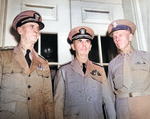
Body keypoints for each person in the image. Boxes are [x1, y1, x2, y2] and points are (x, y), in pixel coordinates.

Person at [0, 10, 54, 119]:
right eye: (32, 26)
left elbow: (48, 101)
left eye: (38, 28)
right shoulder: (3, 56)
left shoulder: (43, 62)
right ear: (20, 30)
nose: (36, 31)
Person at [54, 26, 116, 119]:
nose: (84, 44)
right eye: (80, 41)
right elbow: (58, 104)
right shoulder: (64, 71)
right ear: (73, 46)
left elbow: (108, 101)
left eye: (87, 41)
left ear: (90, 46)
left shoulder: (99, 70)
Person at [107, 19, 150, 119]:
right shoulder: (112, 64)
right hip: (122, 110)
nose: (117, 39)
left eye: (120, 35)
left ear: (130, 37)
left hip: (145, 107)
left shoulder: (147, 57)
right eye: (114, 37)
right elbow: (109, 94)